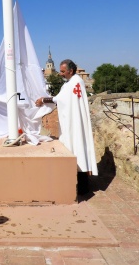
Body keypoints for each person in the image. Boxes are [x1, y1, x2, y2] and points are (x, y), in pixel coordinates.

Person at [35, 59, 98, 195]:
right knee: (77, 148)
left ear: (70, 71)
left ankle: (82, 189)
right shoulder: (72, 82)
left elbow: (60, 99)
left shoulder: (75, 82)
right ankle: (80, 186)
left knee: (78, 148)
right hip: (73, 120)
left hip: (74, 122)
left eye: (63, 71)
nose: (61, 74)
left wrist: (43, 100)